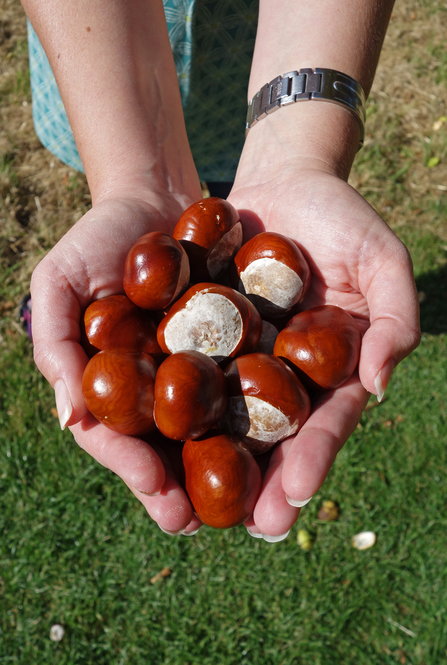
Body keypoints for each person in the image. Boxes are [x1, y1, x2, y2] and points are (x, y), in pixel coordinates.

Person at [21, 0, 420, 541]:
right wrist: (133, 176)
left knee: (218, 196)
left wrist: (300, 152)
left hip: (257, 63)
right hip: (101, 64)